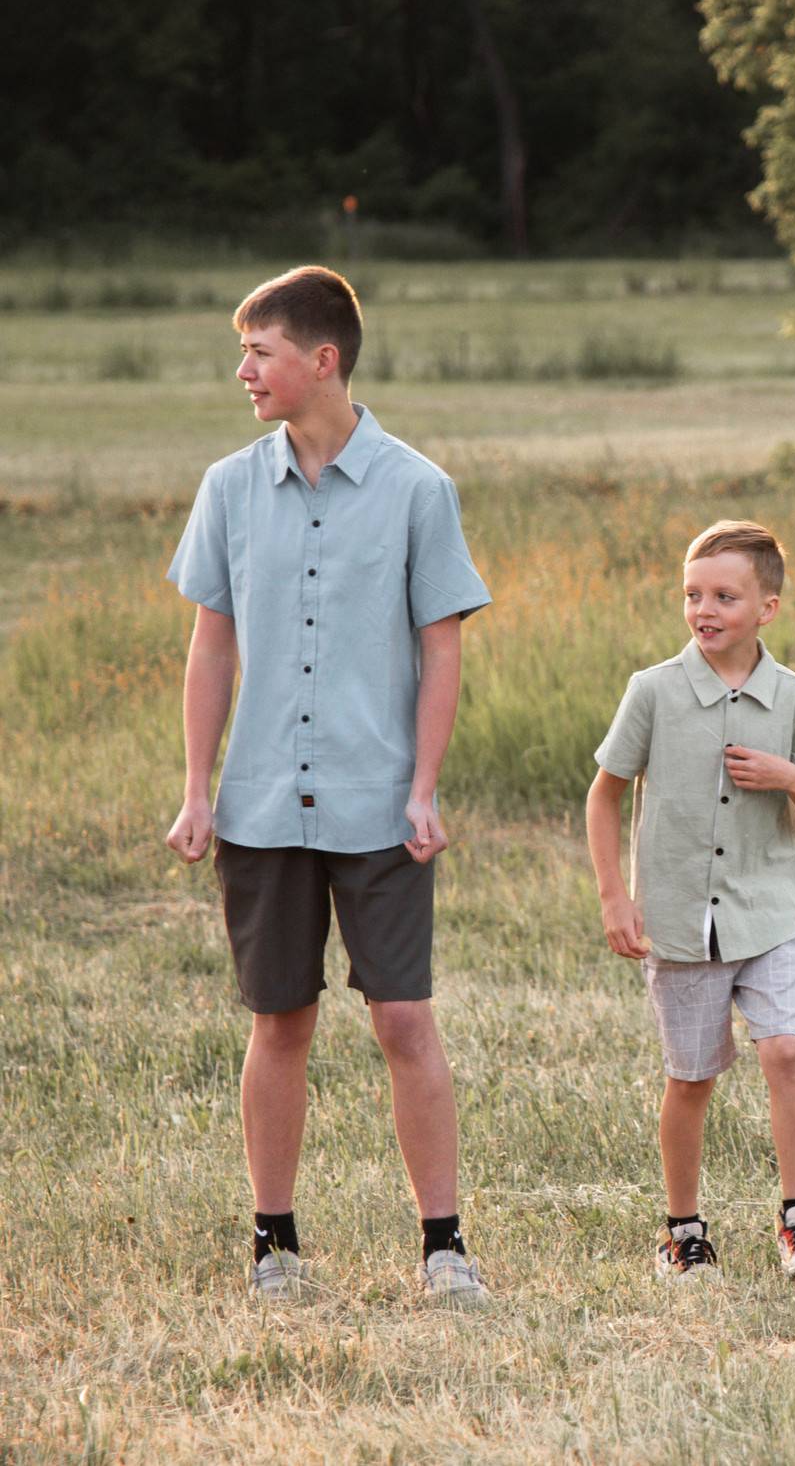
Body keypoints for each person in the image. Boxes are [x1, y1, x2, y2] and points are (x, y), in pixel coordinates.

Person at [165, 265, 491, 1305]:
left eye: (258, 352)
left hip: (380, 801)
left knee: (402, 1018)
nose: (242, 371)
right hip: (262, 801)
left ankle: (443, 1247)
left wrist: (425, 786)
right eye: (243, 352)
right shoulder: (226, 488)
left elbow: (440, 653)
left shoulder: (416, 489)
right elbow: (209, 651)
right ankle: (273, 1243)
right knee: (280, 1021)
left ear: (322, 360)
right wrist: (196, 787)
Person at [586, 520, 795, 1281]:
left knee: (787, 1052)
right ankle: (683, 1231)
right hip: (677, 921)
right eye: (692, 594)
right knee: (692, 1079)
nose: (704, 609)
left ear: (767, 607)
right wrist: (614, 895)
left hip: (767, 914)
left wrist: (792, 780)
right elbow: (604, 797)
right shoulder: (654, 692)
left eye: (725, 596)